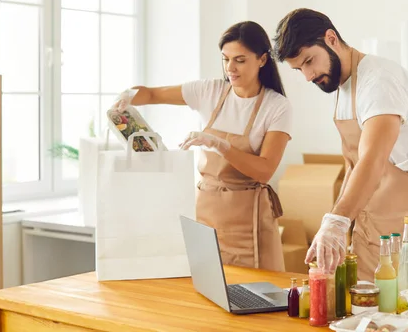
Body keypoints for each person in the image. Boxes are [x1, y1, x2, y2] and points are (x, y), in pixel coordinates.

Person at [272, 8, 408, 281]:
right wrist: (336, 223)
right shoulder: (344, 86)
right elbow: (354, 165)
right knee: (369, 315)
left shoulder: (379, 81)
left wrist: (337, 220)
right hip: (373, 221)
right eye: (300, 69)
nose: (308, 76)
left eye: (310, 61)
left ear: (331, 39)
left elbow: (372, 160)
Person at [114, 21, 292, 272]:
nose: (230, 68)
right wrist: (128, 96)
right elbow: (154, 94)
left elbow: (264, 171)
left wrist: (220, 145)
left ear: (262, 60)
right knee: (207, 286)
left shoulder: (276, 107)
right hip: (207, 212)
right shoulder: (208, 91)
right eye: (225, 59)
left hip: (249, 218)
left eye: (240, 60)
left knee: (255, 292)